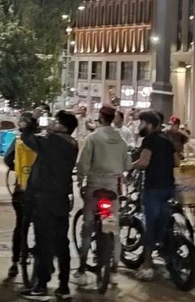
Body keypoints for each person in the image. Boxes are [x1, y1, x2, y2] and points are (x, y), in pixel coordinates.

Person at [18, 110, 79, 300]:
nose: (53, 123)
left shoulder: (53, 142)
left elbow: (27, 137)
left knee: (43, 242)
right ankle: (63, 286)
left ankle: (41, 286)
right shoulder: (72, 144)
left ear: (63, 127)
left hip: (44, 198)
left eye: (57, 121)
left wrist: (34, 118)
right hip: (61, 198)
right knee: (62, 243)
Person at [74, 105, 128, 285]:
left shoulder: (93, 138)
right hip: (112, 189)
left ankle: (82, 269)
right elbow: (127, 165)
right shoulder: (121, 141)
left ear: (100, 117)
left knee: (88, 226)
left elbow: (83, 165)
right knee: (113, 227)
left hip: (94, 186)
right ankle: (114, 268)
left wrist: (80, 179)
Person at [130, 109, 177, 281]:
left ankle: (147, 265)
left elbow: (143, 162)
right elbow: (177, 162)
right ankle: (165, 257)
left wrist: (129, 165)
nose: (140, 126)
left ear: (149, 125)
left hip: (153, 188)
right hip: (169, 187)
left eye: (141, 123)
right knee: (163, 224)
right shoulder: (167, 139)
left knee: (150, 225)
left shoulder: (149, 139)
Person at [4, 111, 38, 282]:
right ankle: (42, 260)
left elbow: (7, 160)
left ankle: (14, 263)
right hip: (39, 192)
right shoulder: (42, 141)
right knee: (40, 225)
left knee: (20, 226)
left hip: (21, 189)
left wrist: (16, 166)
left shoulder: (18, 141)